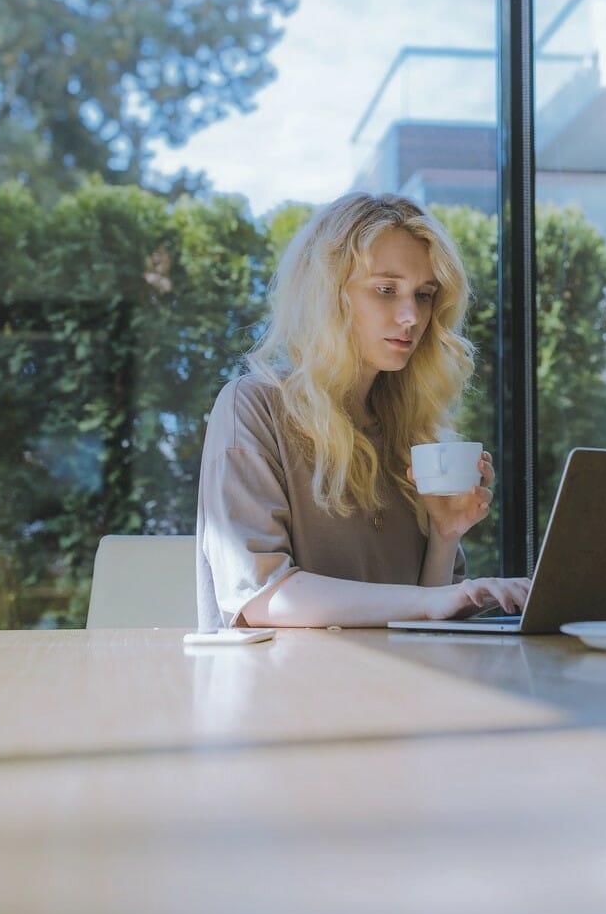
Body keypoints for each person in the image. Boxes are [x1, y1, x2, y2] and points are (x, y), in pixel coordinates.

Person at [195, 192, 532, 630]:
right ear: (329, 294)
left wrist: (445, 535)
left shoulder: (411, 430)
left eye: (425, 295)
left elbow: (422, 616)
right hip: (280, 692)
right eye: (386, 290)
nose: (411, 315)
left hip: (391, 689)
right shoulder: (254, 406)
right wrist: (436, 602)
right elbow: (261, 598)